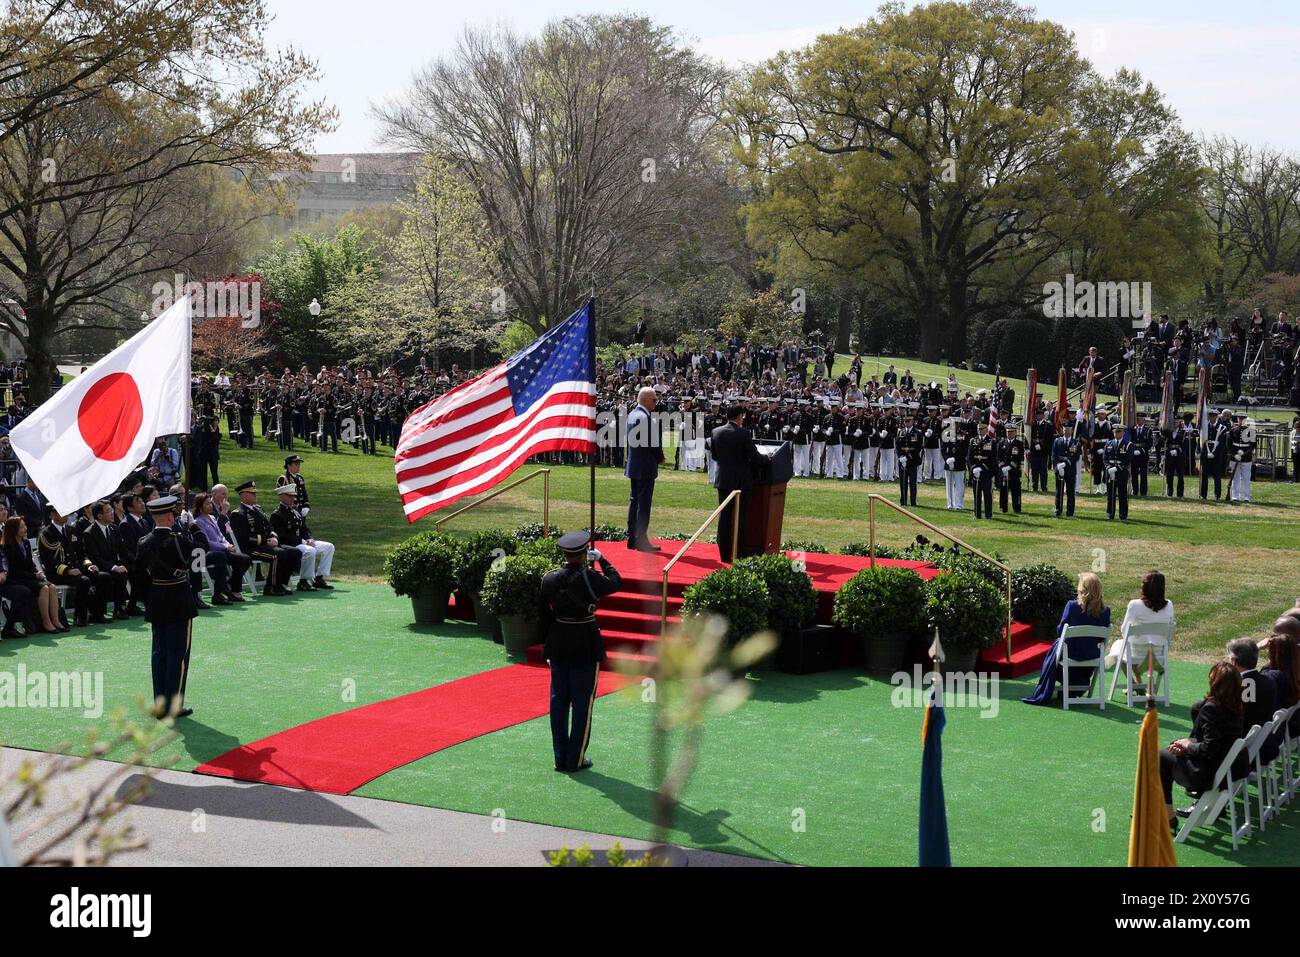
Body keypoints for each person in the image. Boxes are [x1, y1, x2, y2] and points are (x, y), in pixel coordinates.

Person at [539, 531, 622, 773]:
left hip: (558, 644)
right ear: (585, 553)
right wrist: (603, 560)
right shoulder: (591, 578)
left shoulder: (549, 578)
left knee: (558, 702)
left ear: (564, 553)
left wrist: (548, 647)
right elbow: (617, 582)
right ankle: (575, 758)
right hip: (585, 643)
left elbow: (543, 617)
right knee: (582, 704)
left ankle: (559, 756)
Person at [1161, 662, 1243, 826]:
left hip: (1206, 773)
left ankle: (1166, 813)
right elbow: (1215, 742)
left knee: (1159, 756)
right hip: (1228, 769)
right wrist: (1185, 744)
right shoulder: (1237, 706)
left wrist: (1187, 747)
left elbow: (1209, 748)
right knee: (1172, 747)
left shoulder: (1212, 708)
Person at [139, 495, 199, 718]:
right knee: (178, 654)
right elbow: (200, 556)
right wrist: (193, 527)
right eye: (173, 513)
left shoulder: (143, 541)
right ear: (169, 516)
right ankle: (174, 705)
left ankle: (160, 703)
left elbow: (140, 575)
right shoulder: (179, 540)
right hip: (178, 599)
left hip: (156, 599)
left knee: (159, 652)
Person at [1023, 572, 1110, 705]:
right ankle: (1071, 689)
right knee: (1059, 649)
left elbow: (1060, 631)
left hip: (1070, 654)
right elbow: (1100, 639)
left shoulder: (1072, 606)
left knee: (1056, 650)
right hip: (1091, 655)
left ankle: (1059, 687)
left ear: (1082, 589)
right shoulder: (1105, 611)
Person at [711, 402, 764, 563]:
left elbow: (714, 456)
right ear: (739, 416)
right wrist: (767, 458)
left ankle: (724, 553)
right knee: (739, 518)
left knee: (725, 518)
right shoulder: (744, 433)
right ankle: (739, 552)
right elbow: (755, 457)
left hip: (724, 480)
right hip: (740, 481)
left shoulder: (716, 432)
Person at [1105, 571, 1175, 691]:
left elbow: (1124, 631)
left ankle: (1132, 684)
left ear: (1145, 587)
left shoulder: (1134, 605)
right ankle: (1137, 683)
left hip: (1136, 654)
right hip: (1158, 655)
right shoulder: (1169, 605)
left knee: (1118, 648)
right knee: (1126, 647)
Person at [229, 480, 299, 596]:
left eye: (255, 493)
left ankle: (281, 583)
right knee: (277, 555)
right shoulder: (238, 514)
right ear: (243, 495)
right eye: (252, 493)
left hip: (264, 546)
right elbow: (243, 538)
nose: (255, 495)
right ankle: (270, 586)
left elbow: (269, 526)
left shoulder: (258, 509)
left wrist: (273, 536)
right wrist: (266, 540)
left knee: (290, 552)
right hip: (250, 548)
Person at [2, 516, 62, 633]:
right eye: (22, 527)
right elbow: (13, 571)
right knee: (44, 588)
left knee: (52, 587)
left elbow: (30, 563)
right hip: (16, 580)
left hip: (29, 578)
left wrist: (37, 572)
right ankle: (46, 622)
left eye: (25, 525)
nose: (25, 529)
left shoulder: (26, 543)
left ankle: (56, 620)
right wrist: (34, 576)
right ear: (13, 529)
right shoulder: (7, 546)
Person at [271, 482, 334, 590]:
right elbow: (282, 536)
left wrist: (310, 538)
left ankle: (319, 578)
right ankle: (303, 581)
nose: (293, 498)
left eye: (294, 496)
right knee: (310, 551)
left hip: (303, 542)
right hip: (291, 544)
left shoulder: (295, 511)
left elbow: (304, 529)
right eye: (290, 496)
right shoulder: (277, 514)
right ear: (282, 496)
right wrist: (303, 541)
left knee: (329, 547)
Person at [624, 387, 662, 551]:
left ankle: (632, 538)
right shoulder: (645, 418)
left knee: (634, 502)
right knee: (643, 505)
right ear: (646, 400)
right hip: (645, 466)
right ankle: (641, 541)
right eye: (654, 399)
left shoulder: (633, 414)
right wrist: (660, 457)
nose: (656, 402)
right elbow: (652, 443)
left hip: (635, 465)